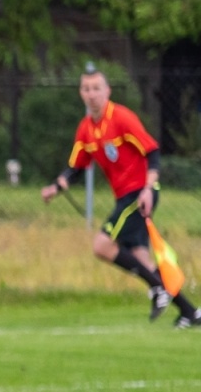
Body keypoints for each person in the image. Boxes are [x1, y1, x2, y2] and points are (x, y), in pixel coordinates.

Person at [42, 65, 198, 327]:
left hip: (140, 193)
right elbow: (77, 167)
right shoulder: (85, 129)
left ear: (107, 91)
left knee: (101, 245)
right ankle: (189, 312)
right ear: (81, 93)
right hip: (124, 197)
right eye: (86, 89)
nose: (91, 94)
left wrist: (149, 189)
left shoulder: (122, 118)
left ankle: (159, 288)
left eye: (96, 88)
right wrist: (55, 188)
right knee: (141, 258)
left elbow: (153, 152)